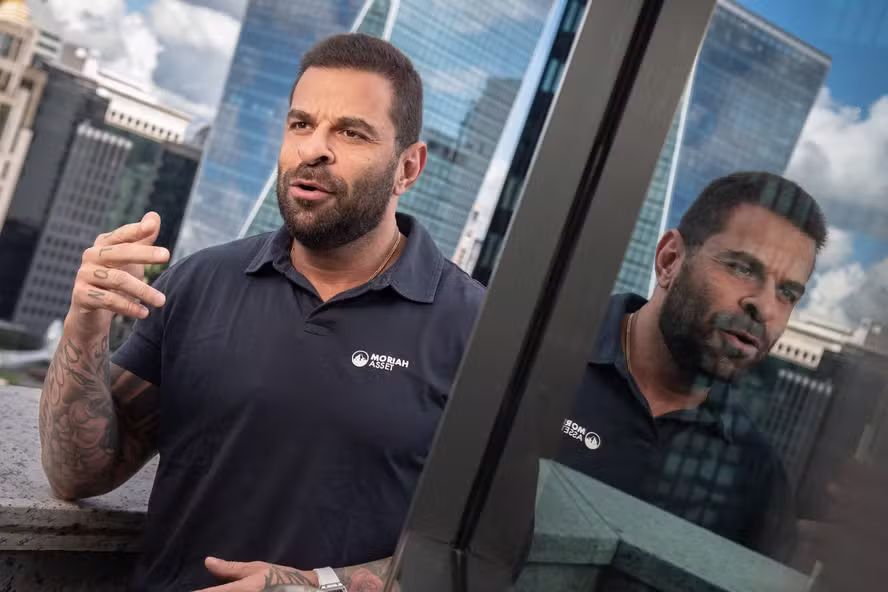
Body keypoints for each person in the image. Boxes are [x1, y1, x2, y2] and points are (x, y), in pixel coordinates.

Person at [38, 34, 484, 591]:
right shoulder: (202, 280)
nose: (313, 149)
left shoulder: (475, 331)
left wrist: (318, 586)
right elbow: (78, 473)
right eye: (301, 124)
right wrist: (85, 324)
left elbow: (482, 557)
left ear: (408, 167)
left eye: (351, 132)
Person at [557, 172, 827, 558]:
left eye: (787, 293)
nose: (765, 307)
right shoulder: (537, 352)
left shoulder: (758, 481)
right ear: (669, 260)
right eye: (742, 268)